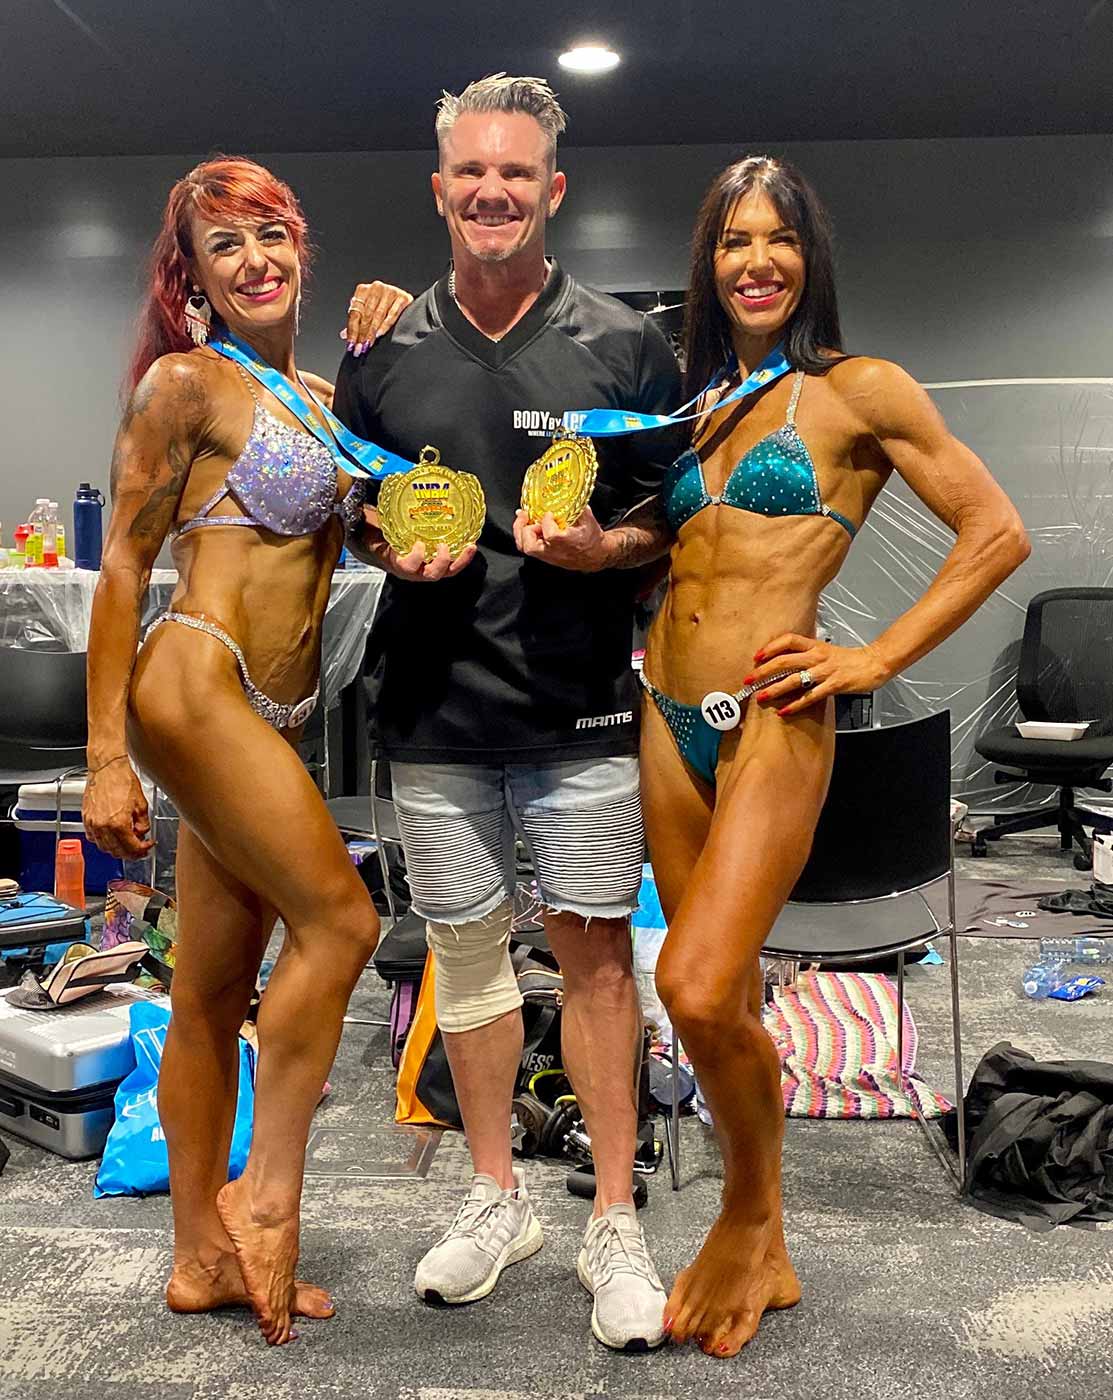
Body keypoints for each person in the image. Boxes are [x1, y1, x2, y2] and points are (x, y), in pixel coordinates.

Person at [638, 155, 1030, 1357]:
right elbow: (670, 548)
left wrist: (872, 656)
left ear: (811, 257)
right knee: (721, 999)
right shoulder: (698, 403)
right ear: (708, 264)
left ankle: (749, 1214)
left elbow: (996, 529)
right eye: (733, 241)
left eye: (779, 237)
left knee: (690, 981)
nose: (756, 260)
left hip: (773, 714)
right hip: (663, 709)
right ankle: (765, 1228)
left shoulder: (861, 389)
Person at [334, 75, 680, 1351]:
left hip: (578, 704)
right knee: (467, 954)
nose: (493, 191)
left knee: (597, 959)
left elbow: (666, 520)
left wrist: (600, 549)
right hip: (435, 707)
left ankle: (615, 1217)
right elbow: (355, 506)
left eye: (517, 173)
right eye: (472, 172)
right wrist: (387, 544)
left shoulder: (625, 344)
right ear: (440, 189)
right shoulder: (380, 348)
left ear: (554, 189)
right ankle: (497, 1197)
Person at [82, 157, 408, 1346]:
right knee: (346, 923)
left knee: (211, 993)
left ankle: (197, 1258)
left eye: (271, 234)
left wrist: (389, 342)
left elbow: (385, 521)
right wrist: (104, 756)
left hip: (271, 713)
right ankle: (266, 1195)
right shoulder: (186, 382)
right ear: (194, 281)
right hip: (197, 676)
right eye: (225, 246)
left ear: (299, 248)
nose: (256, 259)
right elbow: (123, 562)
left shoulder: (322, 396)